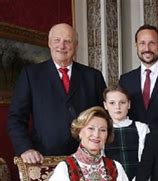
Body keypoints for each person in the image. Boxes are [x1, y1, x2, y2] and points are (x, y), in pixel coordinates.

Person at [7, 23, 106, 163]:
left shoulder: (93, 77)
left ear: (76, 45)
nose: (62, 45)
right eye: (57, 40)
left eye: (67, 41)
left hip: (87, 159)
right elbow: (16, 118)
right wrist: (25, 148)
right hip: (44, 159)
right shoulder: (31, 75)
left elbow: (104, 117)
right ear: (49, 43)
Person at [103, 85, 150, 181]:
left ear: (129, 104)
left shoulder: (141, 128)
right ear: (105, 105)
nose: (117, 107)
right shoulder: (102, 129)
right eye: (112, 103)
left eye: (122, 102)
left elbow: (146, 162)